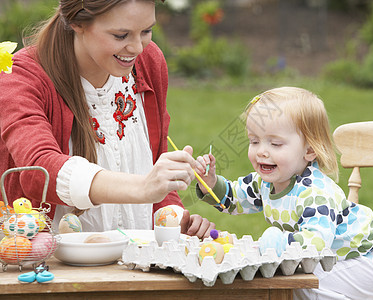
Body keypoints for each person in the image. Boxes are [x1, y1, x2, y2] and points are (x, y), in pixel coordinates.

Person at [0, 0, 214, 238]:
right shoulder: (20, 77)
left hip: (135, 266)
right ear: (77, 22)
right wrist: (143, 187)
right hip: (49, 267)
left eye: (146, 31)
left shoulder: (149, 63)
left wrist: (173, 219)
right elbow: (39, 170)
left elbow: (153, 166)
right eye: (121, 35)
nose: (137, 48)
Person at [194, 87, 373, 299]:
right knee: (287, 279)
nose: (261, 151)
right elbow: (234, 199)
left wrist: (279, 243)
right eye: (254, 141)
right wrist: (209, 183)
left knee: (300, 285)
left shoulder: (315, 193)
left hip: (371, 261)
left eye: (275, 143)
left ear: (309, 150)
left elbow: (315, 242)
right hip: (340, 258)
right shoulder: (264, 183)